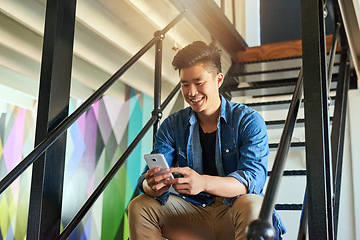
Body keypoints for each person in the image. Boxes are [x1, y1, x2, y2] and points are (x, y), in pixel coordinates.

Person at [128, 41, 285, 239]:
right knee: (139, 205)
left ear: (219, 80)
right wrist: (152, 185)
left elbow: (251, 181)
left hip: (234, 213)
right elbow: (146, 179)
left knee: (254, 204)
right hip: (193, 214)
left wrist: (203, 183)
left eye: (199, 82)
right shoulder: (173, 124)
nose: (191, 92)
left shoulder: (248, 120)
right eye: (185, 84)